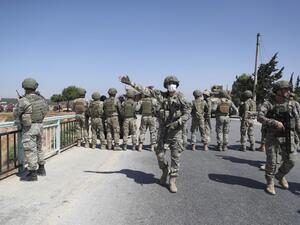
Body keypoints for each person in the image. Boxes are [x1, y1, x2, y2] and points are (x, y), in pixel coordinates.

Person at [120, 75, 191, 193]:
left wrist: (179, 122)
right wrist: (130, 82)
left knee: (175, 157)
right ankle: (164, 170)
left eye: (173, 83)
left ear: (177, 85)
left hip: (176, 132)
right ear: (166, 85)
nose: (171, 85)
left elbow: (188, 112)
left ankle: (172, 180)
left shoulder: (181, 97)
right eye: (169, 83)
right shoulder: (160, 95)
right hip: (163, 131)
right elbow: (145, 90)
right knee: (160, 154)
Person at [257, 80, 299, 195]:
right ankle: (270, 182)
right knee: (272, 161)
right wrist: (273, 122)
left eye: (288, 89)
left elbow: (297, 121)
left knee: (291, 160)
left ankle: (280, 176)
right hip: (273, 135)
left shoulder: (293, 104)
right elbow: (259, 117)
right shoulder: (268, 103)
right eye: (285, 89)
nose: (288, 91)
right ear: (278, 91)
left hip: (288, 135)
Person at [14, 78, 49, 181]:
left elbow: (16, 114)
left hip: (29, 128)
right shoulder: (41, 99)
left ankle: (33, 173)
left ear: (24, 87)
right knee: (39, 148)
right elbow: (46, 110)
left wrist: (19, 102)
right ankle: (42, 169)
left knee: (30, 150)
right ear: (35, 87)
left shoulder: (23, 100)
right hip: (40, 126)